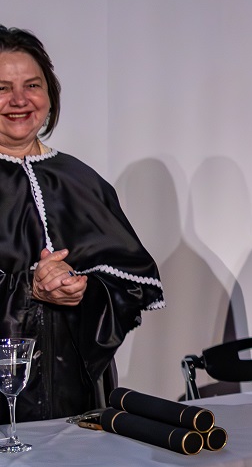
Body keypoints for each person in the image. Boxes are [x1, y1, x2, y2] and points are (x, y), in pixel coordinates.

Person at [0, 26, 163, 422]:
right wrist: (29, 288)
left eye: (32, 85)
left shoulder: (82, 180)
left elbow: (130, 288)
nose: (19, 100)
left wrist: (84, 288)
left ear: (49, 94)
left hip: (82, 396)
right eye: (2, 88)